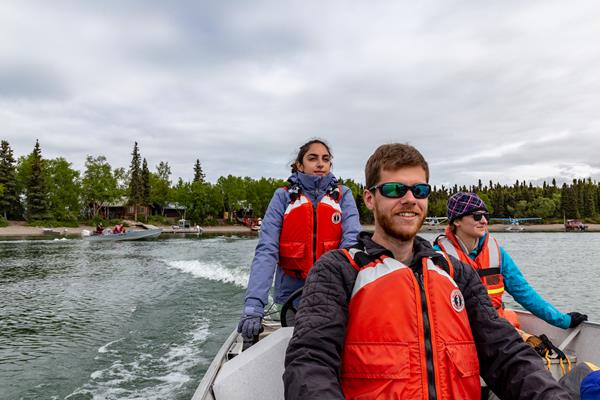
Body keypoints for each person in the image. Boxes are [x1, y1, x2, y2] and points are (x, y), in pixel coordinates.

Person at [284, 143, 571, 399]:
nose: (410, 199)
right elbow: (311, 363)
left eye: (419, 190)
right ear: (370, 199)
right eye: (395, 189)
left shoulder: (456, 274)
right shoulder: (339, 271)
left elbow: (506, 354)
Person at [238, 139, 361, 340]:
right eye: (313, 158)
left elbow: (352, 243)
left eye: (326, 159)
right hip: (293, 298)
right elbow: (267, 250)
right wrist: (253, 306)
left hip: (333, 294)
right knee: (299, 348)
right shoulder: (282, 197)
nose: (320, 164)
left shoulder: (343, 196)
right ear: (300, 165)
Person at [433, 191, 587, 330]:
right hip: (459, 332)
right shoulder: (438, 256)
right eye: (477, 216)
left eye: (486, 216)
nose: (484, 221)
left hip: (495, 330)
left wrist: (564, 321)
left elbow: (524, 292)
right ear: (456, 221)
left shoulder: (496, 252)